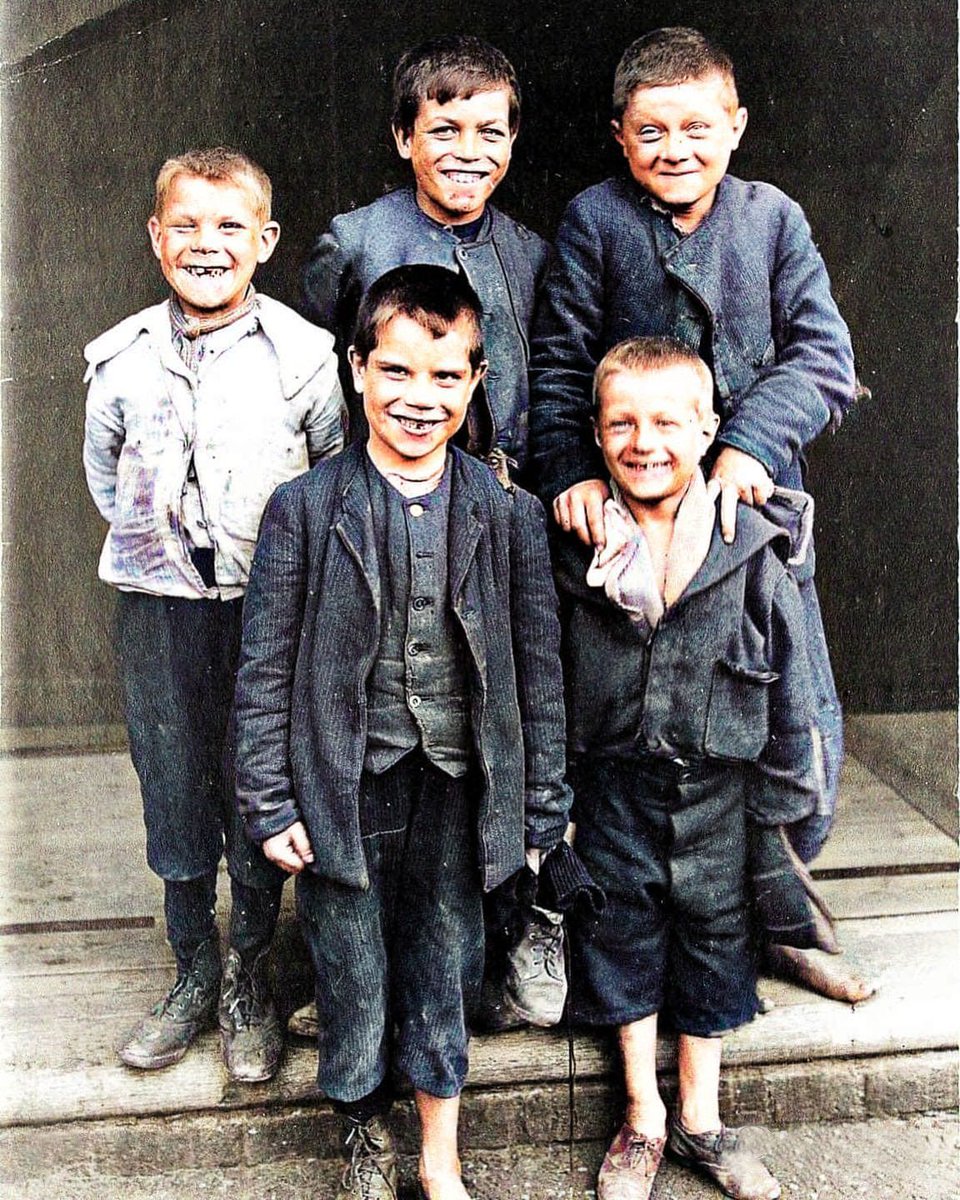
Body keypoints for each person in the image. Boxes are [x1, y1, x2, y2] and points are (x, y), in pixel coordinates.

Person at [529, 27, 872, 1002]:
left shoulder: (772, 220)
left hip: (746, 520)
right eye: (651, 131)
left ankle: (781, 918)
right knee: (645, 728)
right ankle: (644, 920)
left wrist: (748, 445)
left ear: (736, 127)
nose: (674, 148)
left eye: (696, 128)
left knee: (785, 719)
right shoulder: (595, 221)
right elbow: (560, 362)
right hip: (630, 524)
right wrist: (570, 471)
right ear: (620, 136)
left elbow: (823, 357)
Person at [233, 264, 572, 1200]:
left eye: (446, 376)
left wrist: (541, 810)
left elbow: (538, 676)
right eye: (396, 371)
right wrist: (271, 802)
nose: (420, 399)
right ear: (356, 370)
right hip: (342, 786)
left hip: (459, 785)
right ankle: (364, 1133)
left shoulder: (509, 515)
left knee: (447, 958)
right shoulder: (305, 510)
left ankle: (438, 1153)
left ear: (476, 381)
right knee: (349, 965)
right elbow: (263, 673)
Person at [82, 147, 345, 1082]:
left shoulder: (305, 358)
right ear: (156, 238)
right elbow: (105, 477)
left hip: (266, 615)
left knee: (254, 787)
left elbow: (330, 479)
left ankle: (248, 979)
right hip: (160, 612)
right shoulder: (119, 360)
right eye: (186, 225)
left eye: (229, 226)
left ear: (265, 241)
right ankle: (193, 969)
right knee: (173, 784)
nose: (207, 244)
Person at [557, 337, 822, 1200]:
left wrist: (783, 803)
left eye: (669, 423)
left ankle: (701, 1118)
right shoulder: (577, 547)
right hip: (614, 786)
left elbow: (790, 684)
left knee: (716, 937)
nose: (645, 443)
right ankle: (642, 1115)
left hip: (720, 793)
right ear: (596, 433)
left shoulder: (750, 545)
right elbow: (544, 679)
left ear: (710, 430)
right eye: (623, 424)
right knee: (620, 932)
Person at [303, 34, 548, 484]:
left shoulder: (530, 253)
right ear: (404, 137)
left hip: (506, 495)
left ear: (512, 139)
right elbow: (312, 369)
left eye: (490, 133)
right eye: (445, 130)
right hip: (380, 487)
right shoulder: (353, 243)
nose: (469, 152)